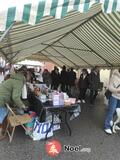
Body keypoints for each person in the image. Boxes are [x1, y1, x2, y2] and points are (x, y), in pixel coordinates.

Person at [0, 65, 28, 139]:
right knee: (1, 116)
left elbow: (13, 95)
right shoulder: (19, 81)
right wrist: (22, 106)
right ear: (24, 76)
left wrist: (15, 104)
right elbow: (15, 97)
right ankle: (1, 133)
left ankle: (4, 131)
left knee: (3, 115)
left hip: (2, 96)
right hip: (2, 99)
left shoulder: (14, 78)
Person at [104, 69, 120, 134]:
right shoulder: (114, 77)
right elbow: (110, 88)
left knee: (117, 113)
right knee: (111, 111)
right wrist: (117, 91)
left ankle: (113, 123)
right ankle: (107, 126)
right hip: (114, 97)